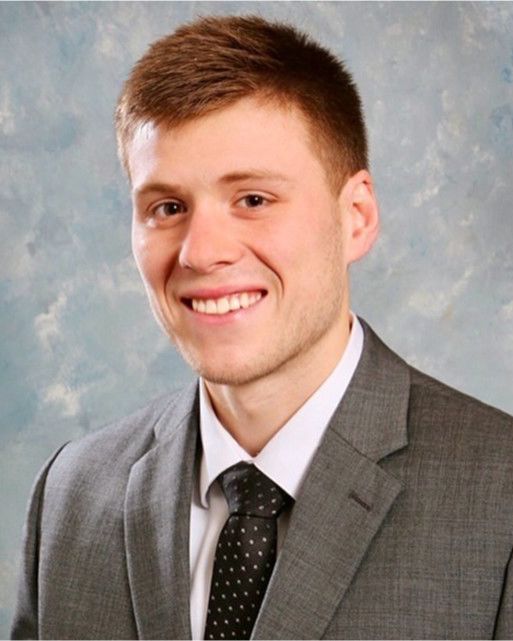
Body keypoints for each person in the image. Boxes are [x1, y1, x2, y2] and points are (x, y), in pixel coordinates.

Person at [11, 14, 513, 641]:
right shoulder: (72, 495)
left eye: (253, 199)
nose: (200, 252)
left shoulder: (501, 498)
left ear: (355, 217)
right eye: (167, 208)